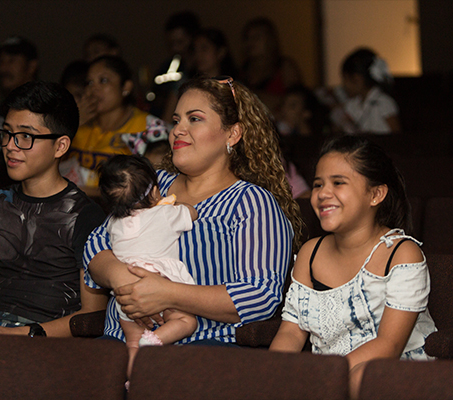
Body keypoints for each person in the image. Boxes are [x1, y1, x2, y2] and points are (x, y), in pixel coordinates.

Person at [84, 76, 303, 346]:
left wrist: (168, 293)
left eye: (194, 119)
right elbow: (96, 243)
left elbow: (259, 296)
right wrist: (121, 277)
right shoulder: (153, 184)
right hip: (120, 341)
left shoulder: (251, 202)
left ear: (232, 134)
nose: (178, 130)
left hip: (201, 347)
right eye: (176, 121)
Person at [271, 136, 436, 395]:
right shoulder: (309, 253)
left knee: (360, 379)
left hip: (391, 374)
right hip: (324, 379)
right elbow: (291, 332)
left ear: (375, 194)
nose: (323, 194)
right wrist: (274, 373)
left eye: (338, 183)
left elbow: (389, 345)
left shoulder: (402, 253)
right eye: (317, 184)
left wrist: (320, 379)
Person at [0, 81, 107, 338]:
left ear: (60, 146)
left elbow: (91, 315)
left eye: (25, 136)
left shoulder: (85, 215)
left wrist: (18, 334)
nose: (10, 146)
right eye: (6, 133)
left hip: (44, 341)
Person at [97, 155, 199, 357]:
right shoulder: (164, 215)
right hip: (162, 282)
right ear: (154, 191)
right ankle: (154, 340)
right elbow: (191, 213)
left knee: (131, 343)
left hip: (127, 296)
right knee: (187, 322)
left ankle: (132, 375)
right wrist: (176, 206)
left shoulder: (113, 224)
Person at [70, 56, 169, 194]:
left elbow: (160, 184)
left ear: (126, 87)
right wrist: (72, 124)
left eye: (103, 81)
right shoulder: (77, 125)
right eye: (89, 83)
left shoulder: (149, 126)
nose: (93, 89)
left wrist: (92, 193)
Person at [0, 36, 39, 163]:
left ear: (31, 66)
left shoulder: (43, 108)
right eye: (1, 62)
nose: (3, 68)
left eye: (11, 61)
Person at [323, 48, 401, 134]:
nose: (344, 85)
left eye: (345, 80)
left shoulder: (383, 102)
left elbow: (396, 136)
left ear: (357, 79)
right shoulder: (353, 104)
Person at [149, 11, 201, 120]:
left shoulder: (205, 68)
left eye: (180, 42)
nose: (175, 49)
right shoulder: (167, 68)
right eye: (171, 44)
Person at [239, 18, 305, 97]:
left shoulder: (284, 68)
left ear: (270, 39)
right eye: (247, 38)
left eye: (256, 37)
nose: (250, 42)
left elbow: (295, 100)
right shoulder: (242, 71)